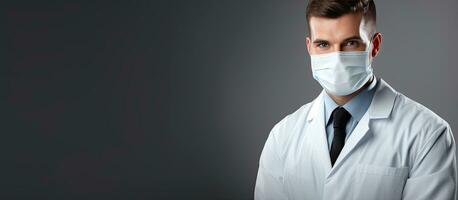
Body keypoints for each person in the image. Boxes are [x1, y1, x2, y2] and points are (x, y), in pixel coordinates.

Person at [254, 0, 457, 199]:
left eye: (350, 43)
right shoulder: (282, 137)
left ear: (374, 46)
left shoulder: (427, 134)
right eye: (323, 44)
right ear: (309, 47)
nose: (337, 59)